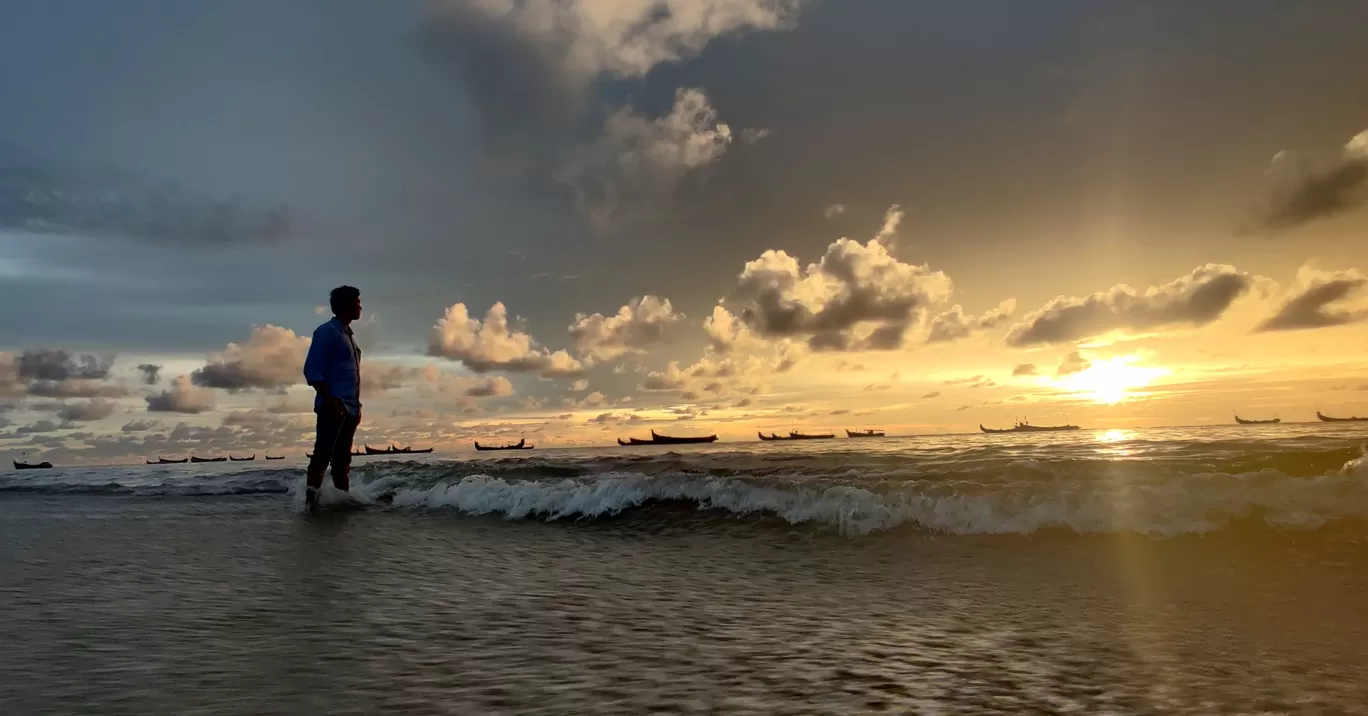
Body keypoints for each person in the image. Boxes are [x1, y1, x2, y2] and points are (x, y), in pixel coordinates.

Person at [301, 285, 363, 511]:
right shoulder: (327, 332)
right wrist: (331, 400)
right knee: (322, 457)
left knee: (342, 462)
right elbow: (312, 370)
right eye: (357, 302)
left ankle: (341, 504)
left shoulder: (348, 335)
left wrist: (356, 407)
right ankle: (311, 507)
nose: (360, 307)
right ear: (346, 305)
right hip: (333, 406)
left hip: (350, 408)